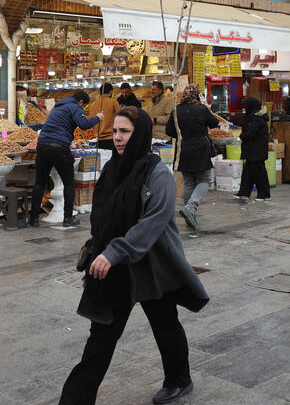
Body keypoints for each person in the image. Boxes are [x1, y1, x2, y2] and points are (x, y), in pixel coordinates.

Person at [60, 107, 208, 405]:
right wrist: (100, 249)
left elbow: (153, 222)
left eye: (124, 131)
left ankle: (179, 379)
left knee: (165, 324)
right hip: (115, 270)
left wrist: (115, 251)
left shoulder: (158, 174)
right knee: (100, 338)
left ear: (138, 134)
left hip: (152, 265)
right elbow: (101, 214)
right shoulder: (112, 169)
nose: (117, 138)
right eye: (114, 131)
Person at [30, 90, 103, 228]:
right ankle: (68, 218)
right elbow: (83, 124)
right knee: (69, 183)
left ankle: (33, 219)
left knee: (39, 183)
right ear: (81, 102)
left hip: (42, 145)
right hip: (59, 146)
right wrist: (97, 118)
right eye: (83, 106)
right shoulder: (75, 107)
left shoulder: (58, 106)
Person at [165, 84, 219, 232]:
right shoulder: (201, 109)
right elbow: (215, 123)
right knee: (205, 180)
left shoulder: (176, 110)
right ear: (197, 95)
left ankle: (191, 214)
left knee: (189, 182)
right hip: (200, 148)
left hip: (183, 149)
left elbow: (169, 130)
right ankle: (190, 207)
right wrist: (206, 108)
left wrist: (183, 135)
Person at [235, 97, 271, 202]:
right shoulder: (254, 117)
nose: (244, 109)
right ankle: (244, 193)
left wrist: (241, 137)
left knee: (259, 173)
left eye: (246, 107)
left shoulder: (257, 119)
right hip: (253, 150)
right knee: (248, 172)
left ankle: (264, 194)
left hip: (256, 151)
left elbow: (250, 133)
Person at [85, 83, 121, 152]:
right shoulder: (113, 102)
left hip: (98, 139)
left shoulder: (93, 104)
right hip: (111, 138)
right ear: (110, 91)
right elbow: (120, 118)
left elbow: (91, 122)